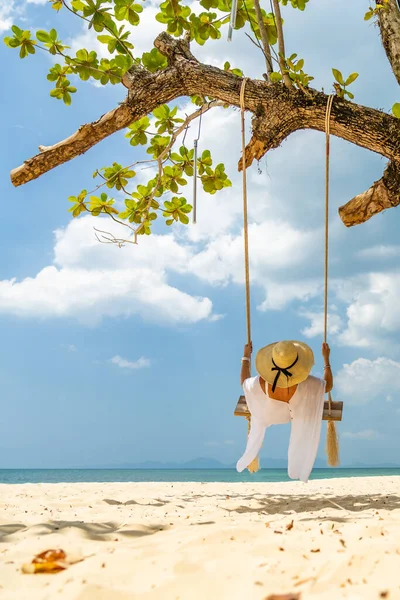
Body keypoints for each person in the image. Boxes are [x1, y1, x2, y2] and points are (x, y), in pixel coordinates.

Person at [236, 340, 333, 482]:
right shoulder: (307, 384)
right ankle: (297, 470)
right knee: (300, 418)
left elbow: (244, 382)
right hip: (293, 415)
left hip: (268, 415)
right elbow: (328, 385)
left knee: (255, 406)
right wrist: (326, 359)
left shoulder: (260, 382)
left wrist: (246, 357)